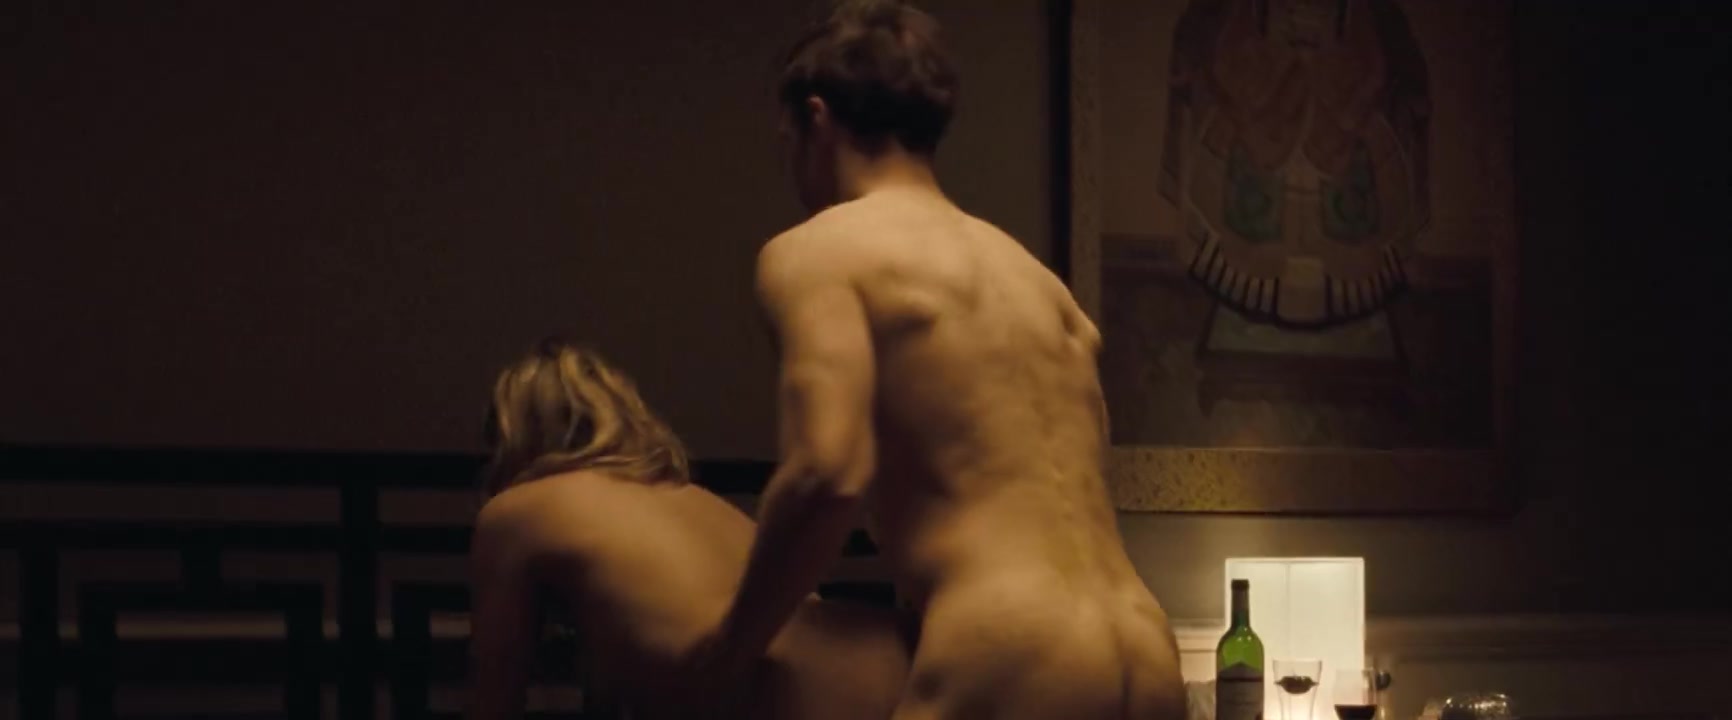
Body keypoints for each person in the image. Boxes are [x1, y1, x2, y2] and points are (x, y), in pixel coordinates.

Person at [694, 2, 1188, 718]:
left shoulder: (819, 251)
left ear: (816, 120)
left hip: (1010, 651)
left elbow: (828, 471)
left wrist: (728, 650)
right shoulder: (1039, 286)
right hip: (1146, 648)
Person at [467, 339, 911, 719]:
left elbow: (495, 704)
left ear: (507, 433)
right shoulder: (693, 498)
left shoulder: (515, 512)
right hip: (896, 669)